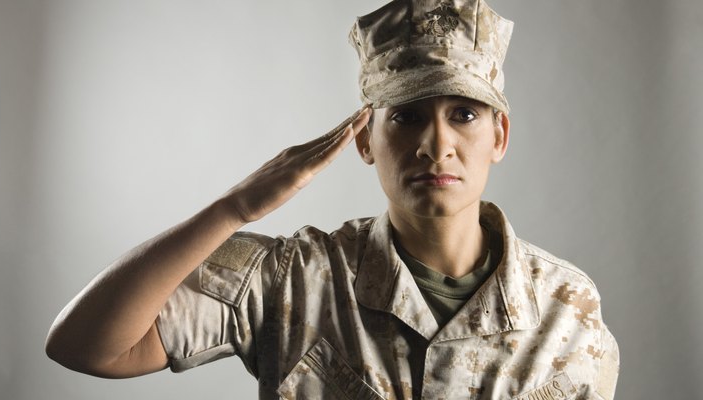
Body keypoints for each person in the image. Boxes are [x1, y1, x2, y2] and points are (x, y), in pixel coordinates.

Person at [46, 0, 619, 398]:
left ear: (498, 136)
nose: (436, 145)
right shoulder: (293, 280)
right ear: (366, 140)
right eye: (407, 116)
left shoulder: (567, 310)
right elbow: (87, 347)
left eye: (463, 114)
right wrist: (234, 210)